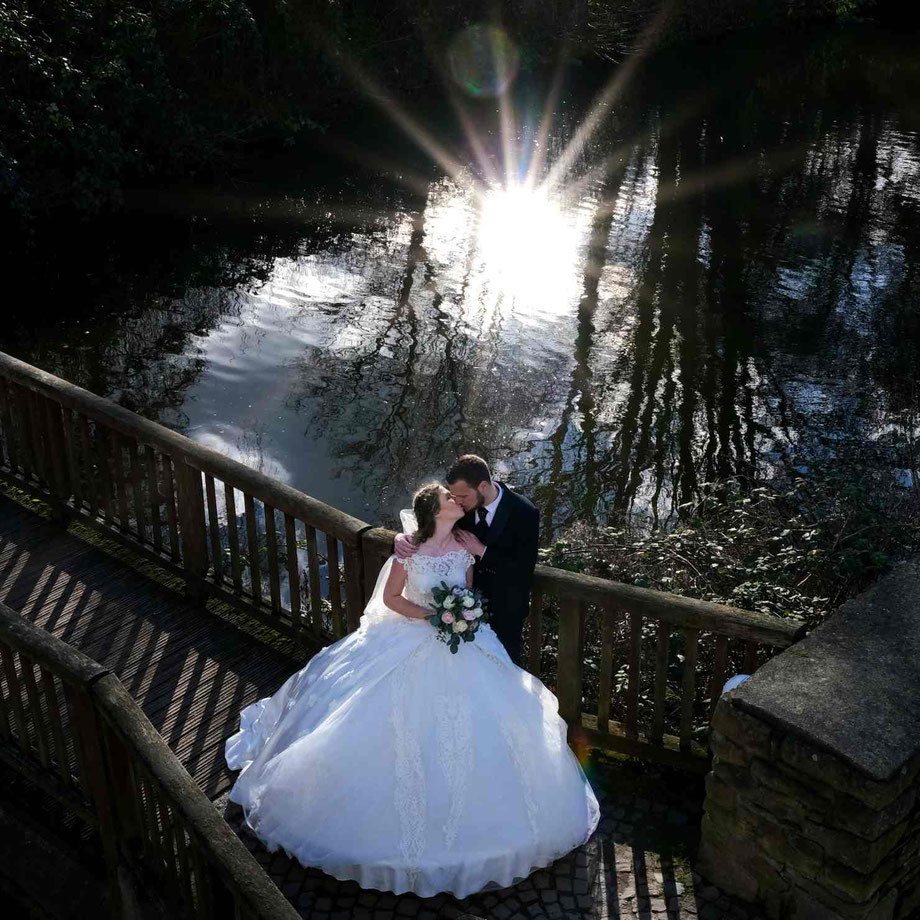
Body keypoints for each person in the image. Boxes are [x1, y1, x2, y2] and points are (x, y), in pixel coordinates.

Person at [225, 482, 599, 899]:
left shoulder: (466, 543)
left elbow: (470, 589)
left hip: (465, 643)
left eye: (456, 499)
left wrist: (463, 612)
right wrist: (432, 616)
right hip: (414, 635)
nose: (455, 503)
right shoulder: (408, 550)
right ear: (433, 511)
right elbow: (390, 598)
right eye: (447, 500)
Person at [395, 455, 539, 667]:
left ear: (482, 486)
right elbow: (428, 527)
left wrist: (482, 551)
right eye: (453, 496)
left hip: (505, 612)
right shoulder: (458, 509)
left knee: (504, 674)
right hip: (456, 612)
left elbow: (523, 571)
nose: (458, 501)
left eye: (463, 495)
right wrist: (399, 539)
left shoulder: (524, 512)